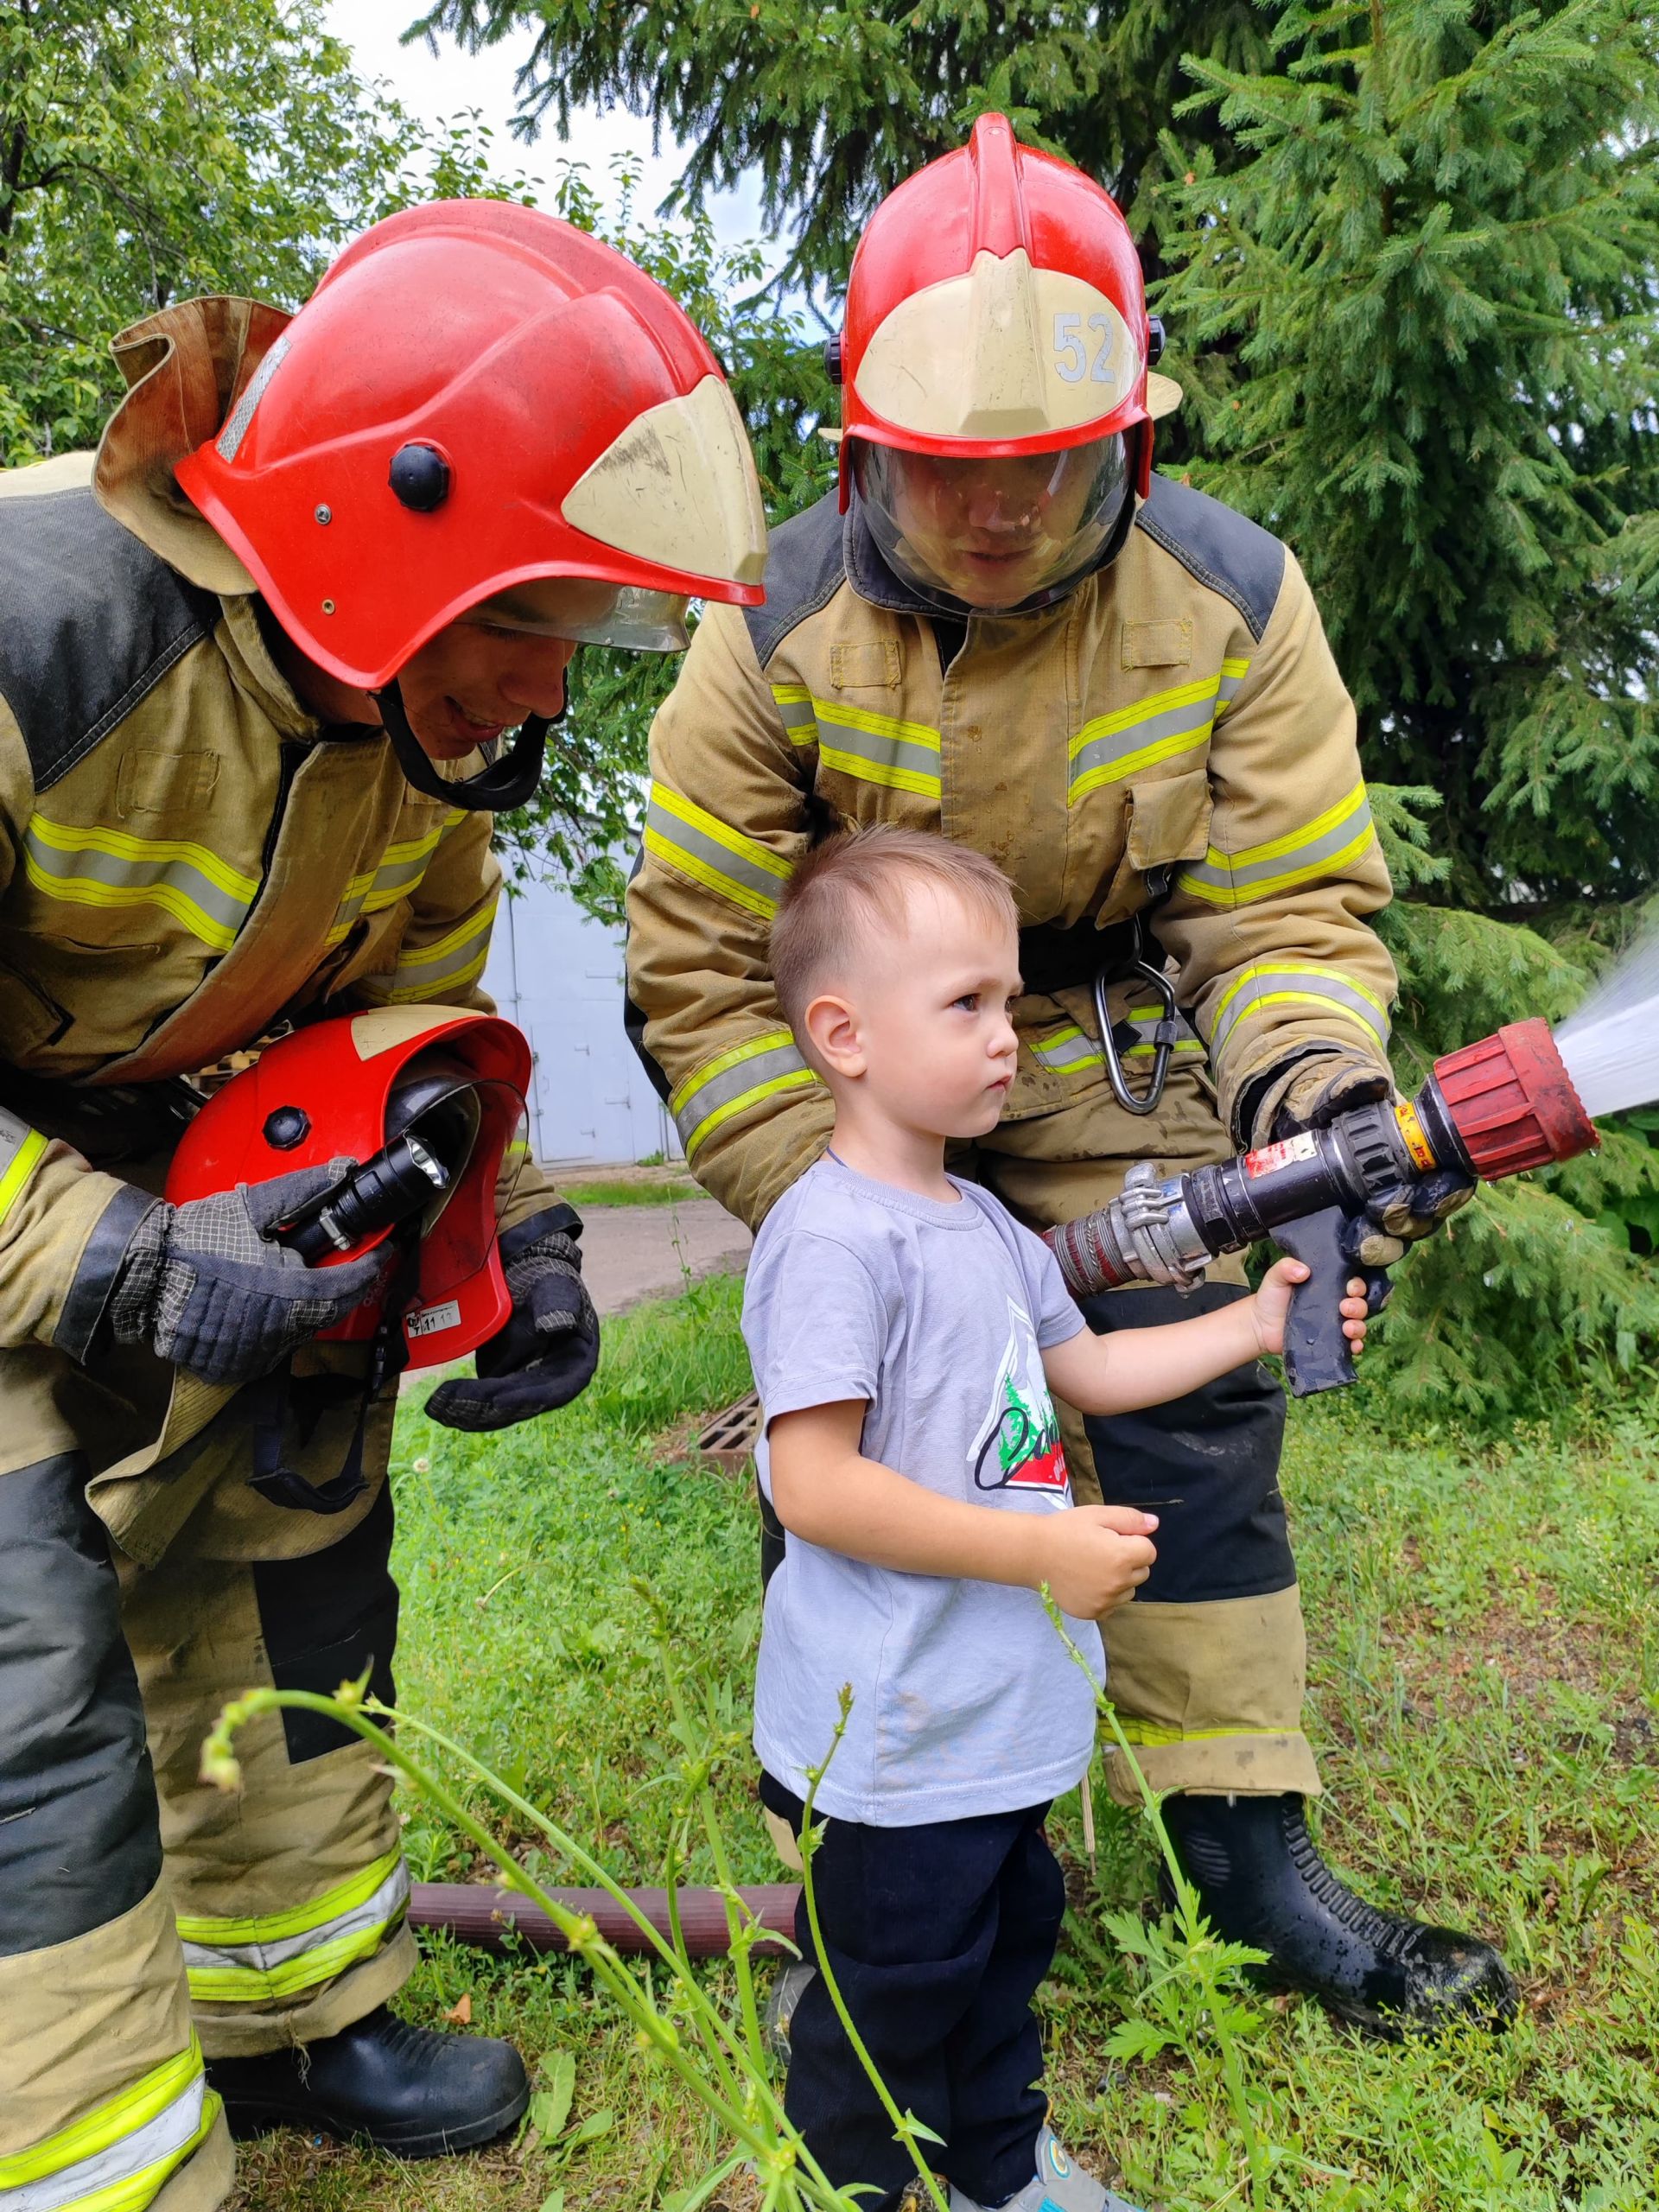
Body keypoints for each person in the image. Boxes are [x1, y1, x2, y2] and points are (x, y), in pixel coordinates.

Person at [626, 111, 1512, 2038]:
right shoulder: (762, 627)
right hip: (847, 1086)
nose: (1006, 512)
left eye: (1051, 467)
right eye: (955, 476)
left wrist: (1303, 1097)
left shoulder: (1234, 601)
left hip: (1108, 1056)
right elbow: (697, 972)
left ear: (1135, 440)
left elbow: (1284, 912)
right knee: (857, 1425)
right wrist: (853, 1213)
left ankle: (1239, 1839)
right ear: (865, 453)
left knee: (1200, 1392)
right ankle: (849, 1819)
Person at [0, 200, 767, 2206]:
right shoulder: (35, 640)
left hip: (151, 1143)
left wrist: (499, 1235)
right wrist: (124, 1260)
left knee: (300, 1509)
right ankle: (89, 2163)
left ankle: (294, 2014)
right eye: (543, 615)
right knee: (22, 1639)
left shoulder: (409, 716)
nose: (547, 688)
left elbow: (408, 1005)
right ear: (384, 525)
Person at [746, 827, 1371, 2212]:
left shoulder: (984, 1225)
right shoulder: (833, 1239)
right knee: (885, 2000)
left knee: (1005, 1949)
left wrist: (1252, 1325)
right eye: (965, 1003)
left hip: (990, 1719)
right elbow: (816, 1485)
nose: (1007, 1037)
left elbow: (1085, 1373)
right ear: (842, 1034)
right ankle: (862, 2184)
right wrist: (1039, 1546)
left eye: (1010, 1000)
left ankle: (998, 2169)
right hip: (894, 1730)